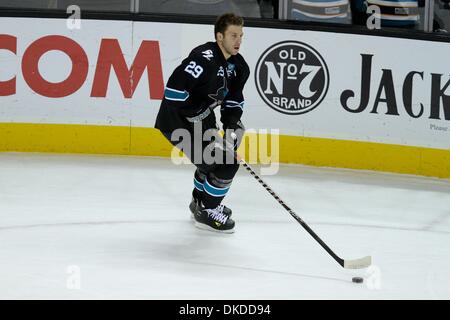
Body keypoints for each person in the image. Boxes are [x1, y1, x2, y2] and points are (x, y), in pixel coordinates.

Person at [155, 13, 250, 233]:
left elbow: (234, 100)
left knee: (221, 152)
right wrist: (201, 118)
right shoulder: (202, 58)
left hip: (201, 121)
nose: (238, 41)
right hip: (176, 122)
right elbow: (173, 93)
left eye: (241, 36)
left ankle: (200, 200)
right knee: (226, 162)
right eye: (233, 35)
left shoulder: (239, 67)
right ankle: (208, 210)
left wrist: (231, 127)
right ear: (219, 37)